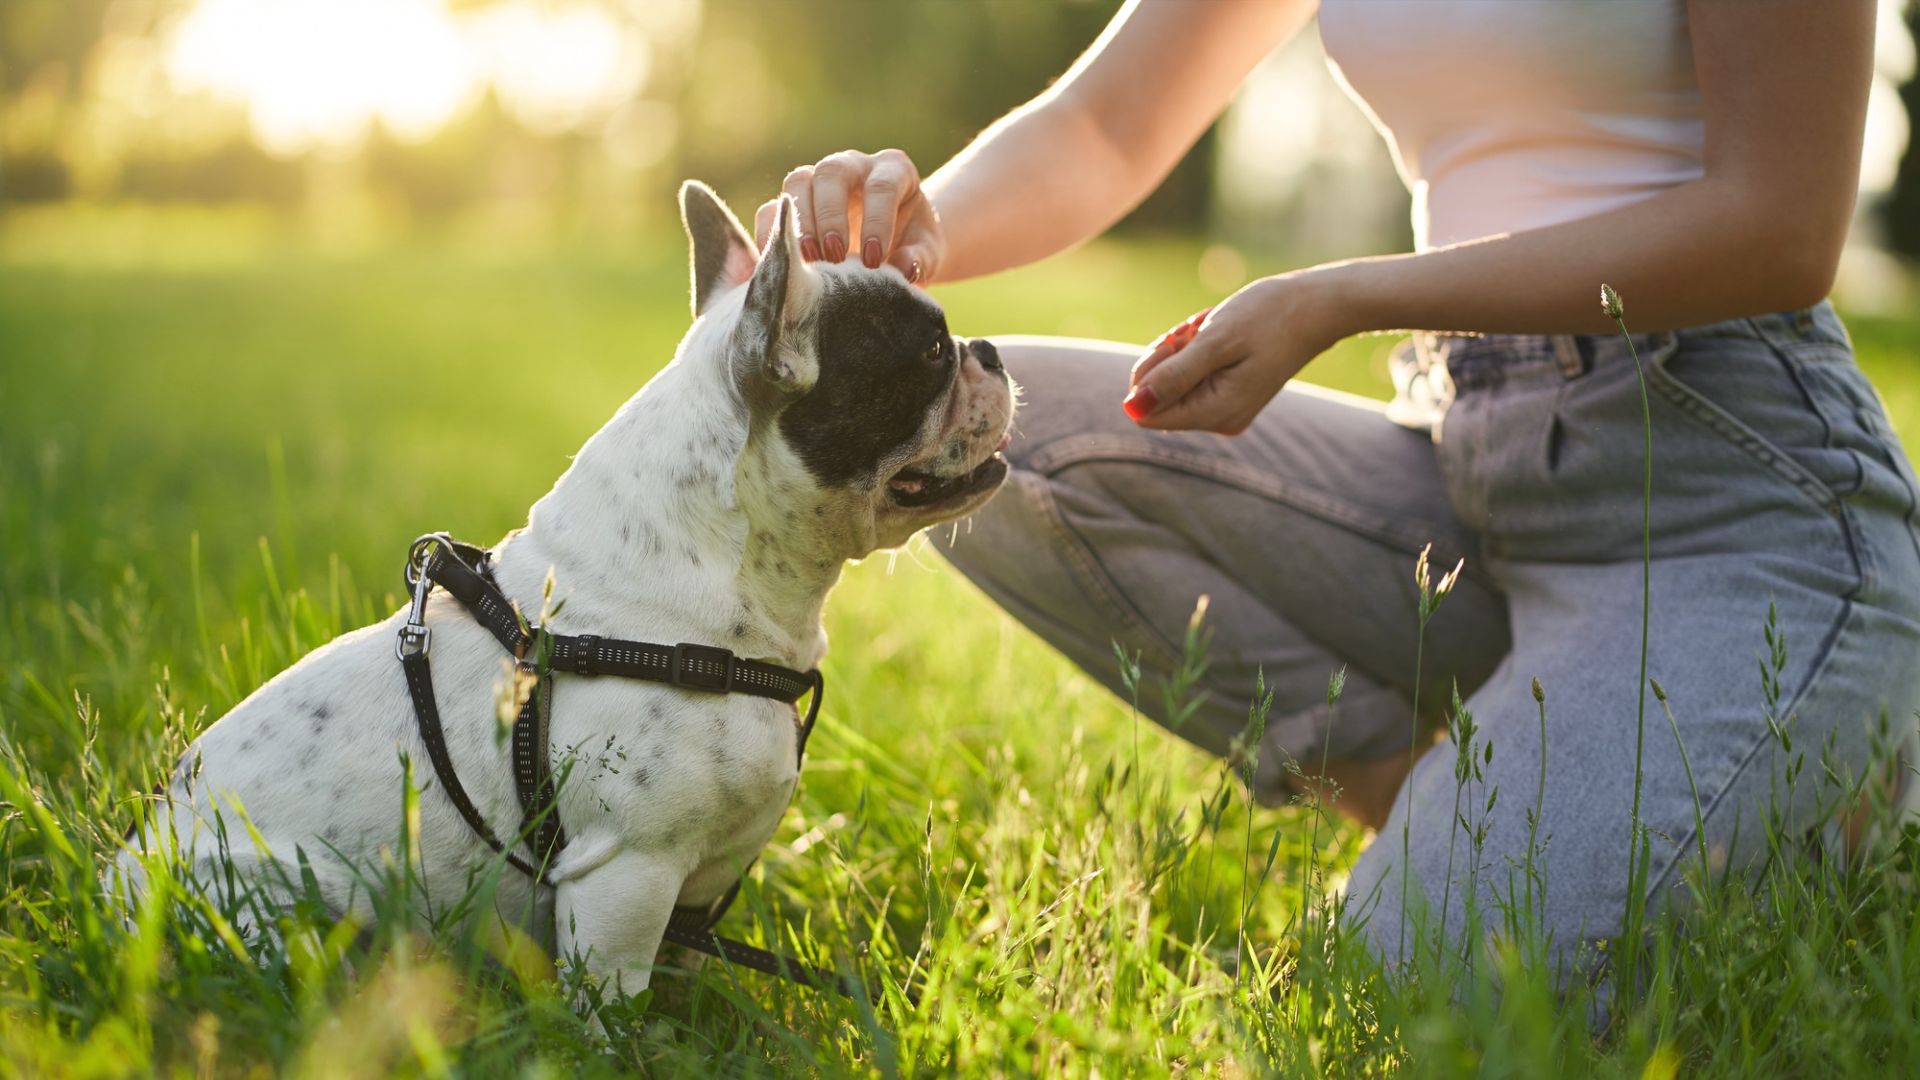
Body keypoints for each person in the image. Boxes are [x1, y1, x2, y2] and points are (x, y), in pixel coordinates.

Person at [762, 0, 1914, 976]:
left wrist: (1347, 295)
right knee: (1003, 453)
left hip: (1737, 503)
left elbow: (1781, 222)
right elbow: (1106, 128)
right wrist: (903, 239)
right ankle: (1444, 808)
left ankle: (1829, 786)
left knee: (1398, 986)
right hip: (1472, 458)